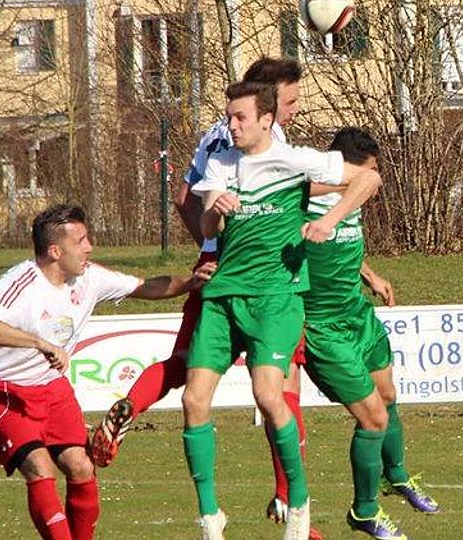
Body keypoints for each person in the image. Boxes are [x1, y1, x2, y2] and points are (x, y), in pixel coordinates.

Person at [92, 57, 319, 535]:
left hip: (216, 271)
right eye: (291, 100)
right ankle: (290, 500)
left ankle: (131, 405)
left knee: (189, 366)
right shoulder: (259, 140)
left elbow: (184, 197)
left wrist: (209, 242)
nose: (296, 110)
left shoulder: (215, 135)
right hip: (261, 279)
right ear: (268, 102)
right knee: (281, 386)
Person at [182, 81, 383, 540]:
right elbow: (207, 225)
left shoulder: (295, 161)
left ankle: (298, 502)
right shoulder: (220, 160)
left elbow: (368, 178)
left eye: (240, 118)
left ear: (266, 120)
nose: (231, 125)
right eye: (229, 116)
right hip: (223, 293)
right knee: (193, 400)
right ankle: (211, 517)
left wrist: (329, 221)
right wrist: (217, 209)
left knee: (268, 396)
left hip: (276, 297)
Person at [0, 204, 215, 540]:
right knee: (40, 468)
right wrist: (39, 344)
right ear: (55, 251)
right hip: (2, 390)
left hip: (51, 389)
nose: (89, 247)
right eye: (81, 241)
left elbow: (147, 287)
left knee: (82, 466)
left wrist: (190, 283)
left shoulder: (90, 277)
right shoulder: (21, 282)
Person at [302, 128, 439, 540]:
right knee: (372, 418)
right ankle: (364, 511)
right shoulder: (301, 199)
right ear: (349, 166)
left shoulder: (351, 200)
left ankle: (396, 477)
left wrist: (370, 276)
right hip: (322, 327)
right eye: (372, 169)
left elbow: (346, 245)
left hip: (358, 316)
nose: (374, 178)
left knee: (389, 396)